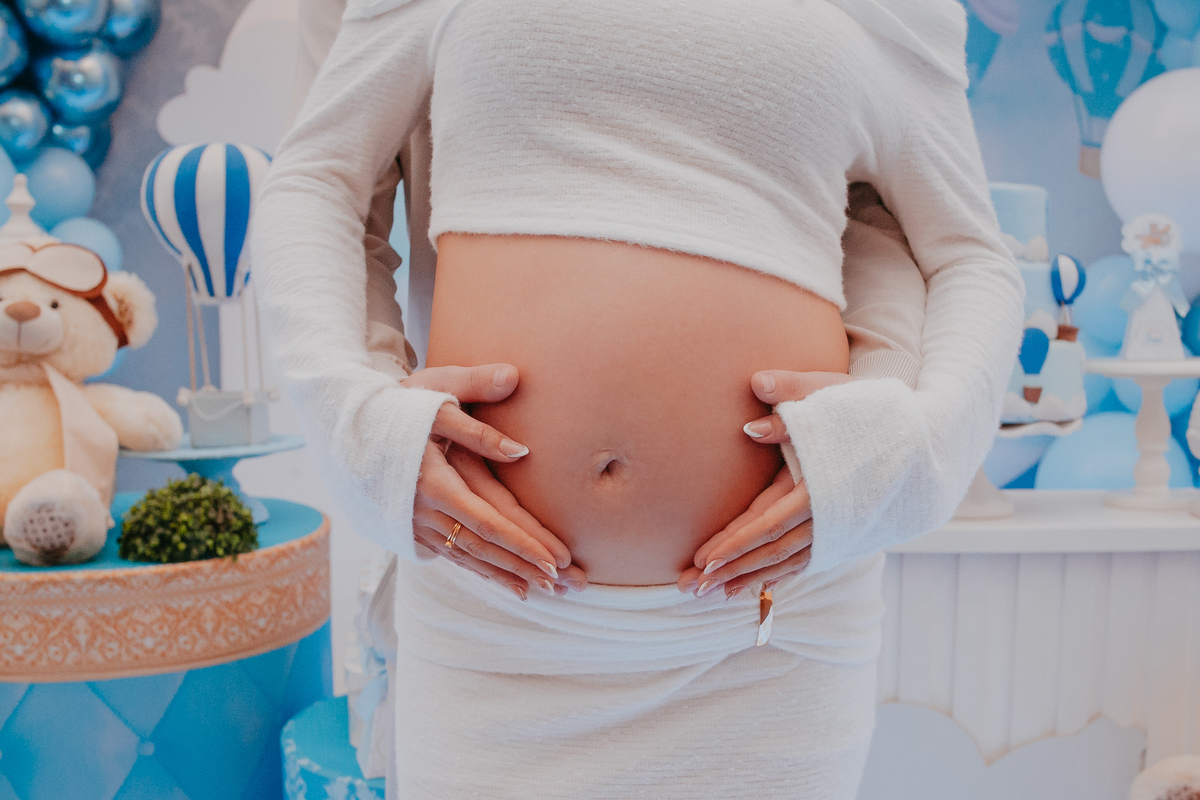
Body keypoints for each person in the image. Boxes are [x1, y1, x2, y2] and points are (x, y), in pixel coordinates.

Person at [253, 0, 1023, 796]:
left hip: (769, 636)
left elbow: (968, 254)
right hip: (496, 625)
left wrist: (907, 456)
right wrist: (361, 423)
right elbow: (318, 180)